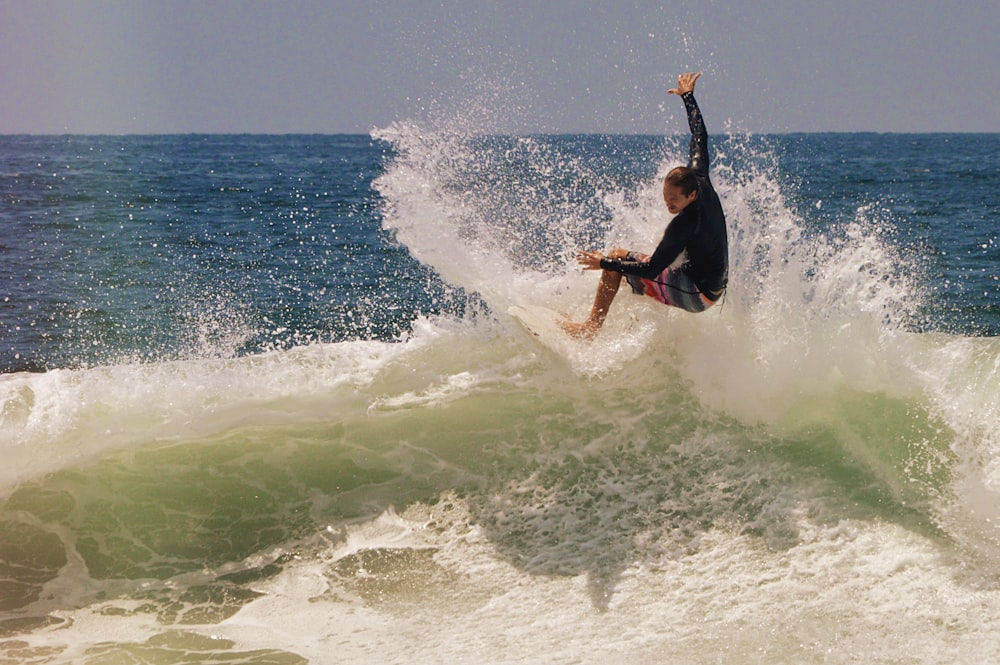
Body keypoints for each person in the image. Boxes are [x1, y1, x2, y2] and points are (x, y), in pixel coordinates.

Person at [561, 71, 728, 339]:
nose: (669, 205)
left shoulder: (684, 224)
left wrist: (604, 263)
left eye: (674, 201)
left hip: (700, 295)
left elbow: (652, 269)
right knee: (628, 268)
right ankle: (629, 332)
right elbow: (700, 135)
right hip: (708, 284)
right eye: (666, 197)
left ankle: (589, 330)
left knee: (617, 258)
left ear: (691, 196)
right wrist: (688, 97)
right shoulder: (699, 175)